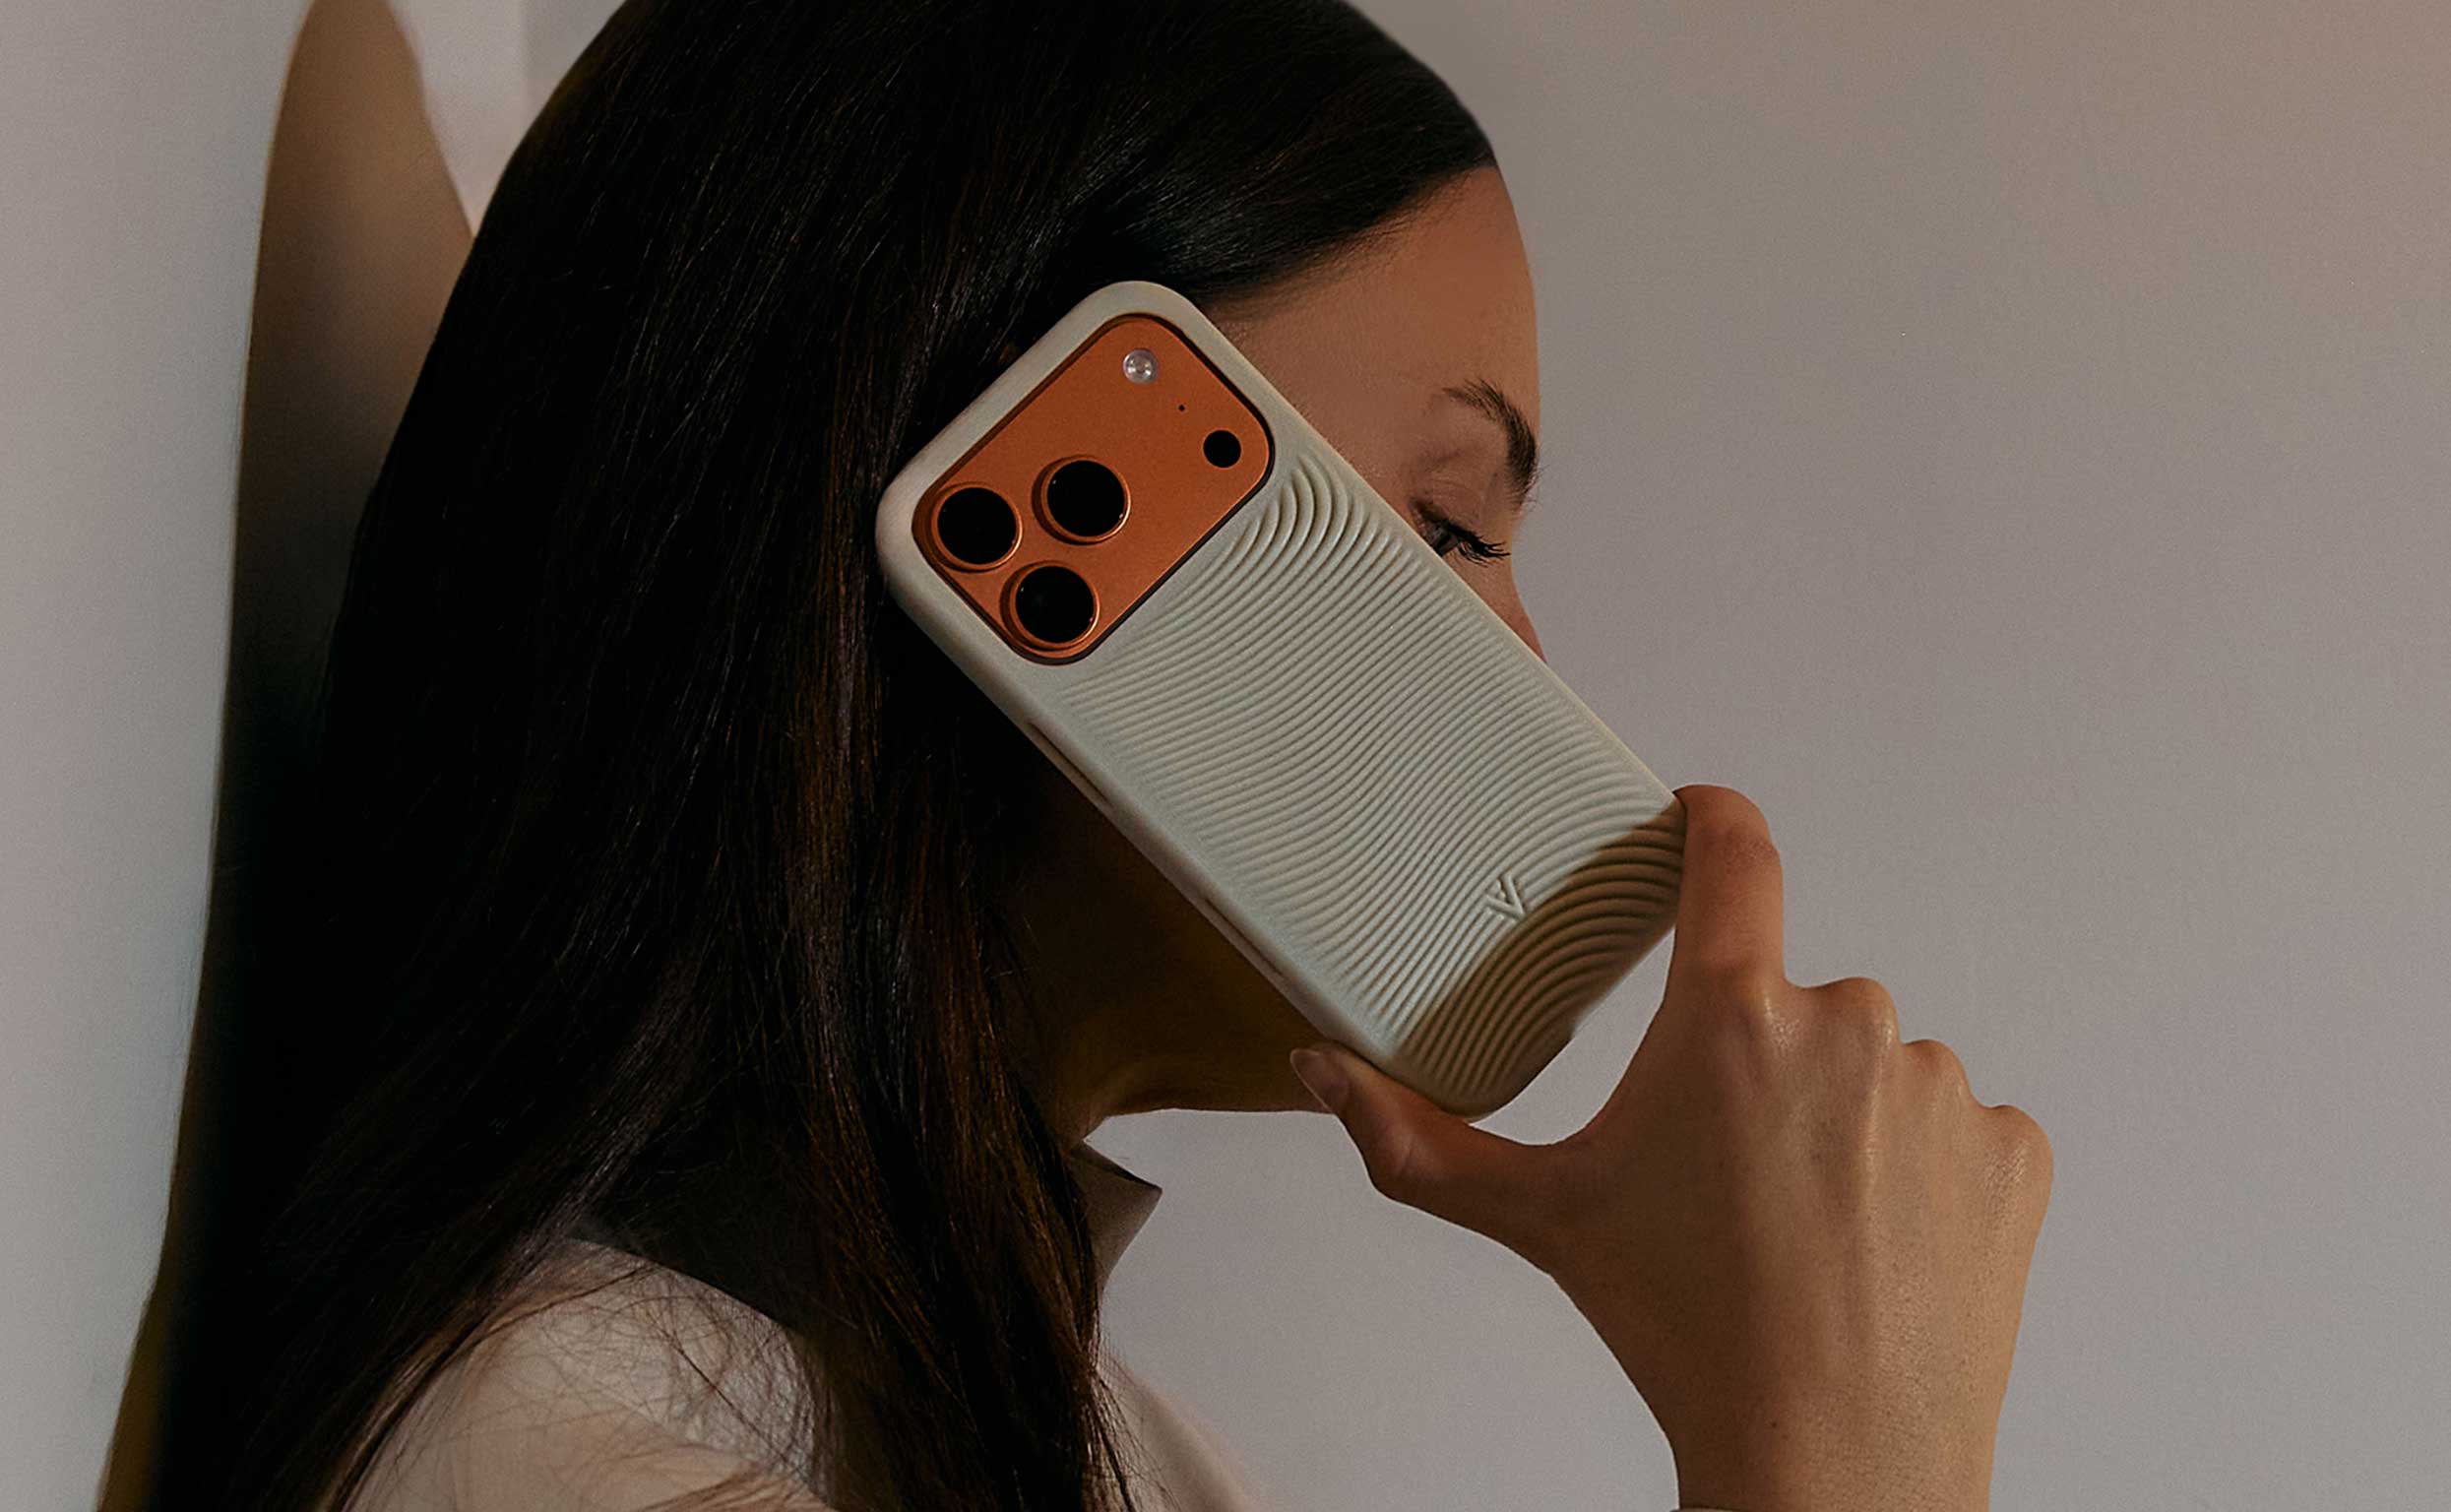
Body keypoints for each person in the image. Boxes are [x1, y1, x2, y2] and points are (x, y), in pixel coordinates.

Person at [205, 2, 2053, 1509]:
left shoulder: (1058, 1433)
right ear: (1017, 462)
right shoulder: (589, 1466)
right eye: (1445, 527)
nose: (1525, 668)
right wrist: (1841, 1458)